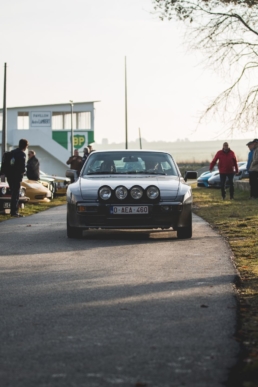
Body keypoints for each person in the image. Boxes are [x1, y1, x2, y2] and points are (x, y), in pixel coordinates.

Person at [6, 139, 29, 217]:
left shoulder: (12, 152)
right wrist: (23, 172)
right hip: (17, 177)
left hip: (10, 176)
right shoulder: (22, 154)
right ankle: (14, 212)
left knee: (13, 193)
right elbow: (22, 168)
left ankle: (13, 211)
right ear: (25, 146)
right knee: (15, 194)